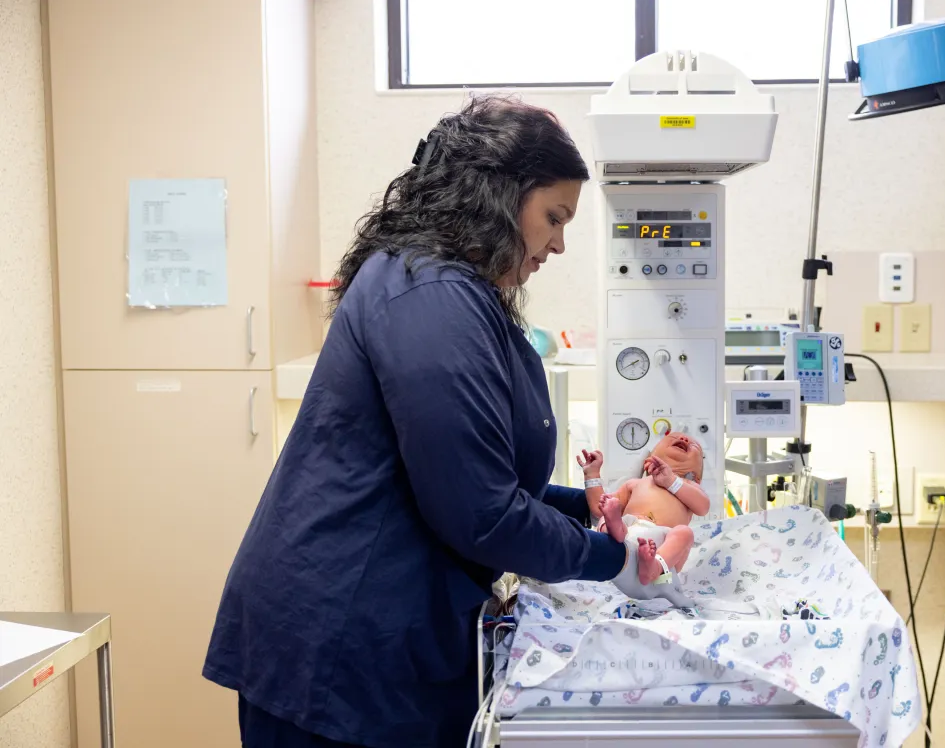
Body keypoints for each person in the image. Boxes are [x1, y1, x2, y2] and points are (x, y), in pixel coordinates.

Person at [201, 95, 635, 748]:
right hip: (339, 648)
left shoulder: (453, 292)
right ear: (497, 194)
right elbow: (479, 511)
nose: (559, 243)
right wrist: (615, 557)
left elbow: (467, 472)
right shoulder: (427, 296)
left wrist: (587, 509)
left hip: (375, 636)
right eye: (554, 217)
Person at [577, 433, 710, 585]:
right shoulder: (635, 484)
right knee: (606, 513)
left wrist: (671, 481)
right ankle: (616, 530)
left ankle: (655, 567)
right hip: (627, 533)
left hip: (662, 545)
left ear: (696, 477)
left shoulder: (689, 487)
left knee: (684, 533)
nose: (685, 439)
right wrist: (592, 474)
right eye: (673, 438)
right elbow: (598, 508)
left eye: (695, 447)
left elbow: (703, 508)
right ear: (649, 460)